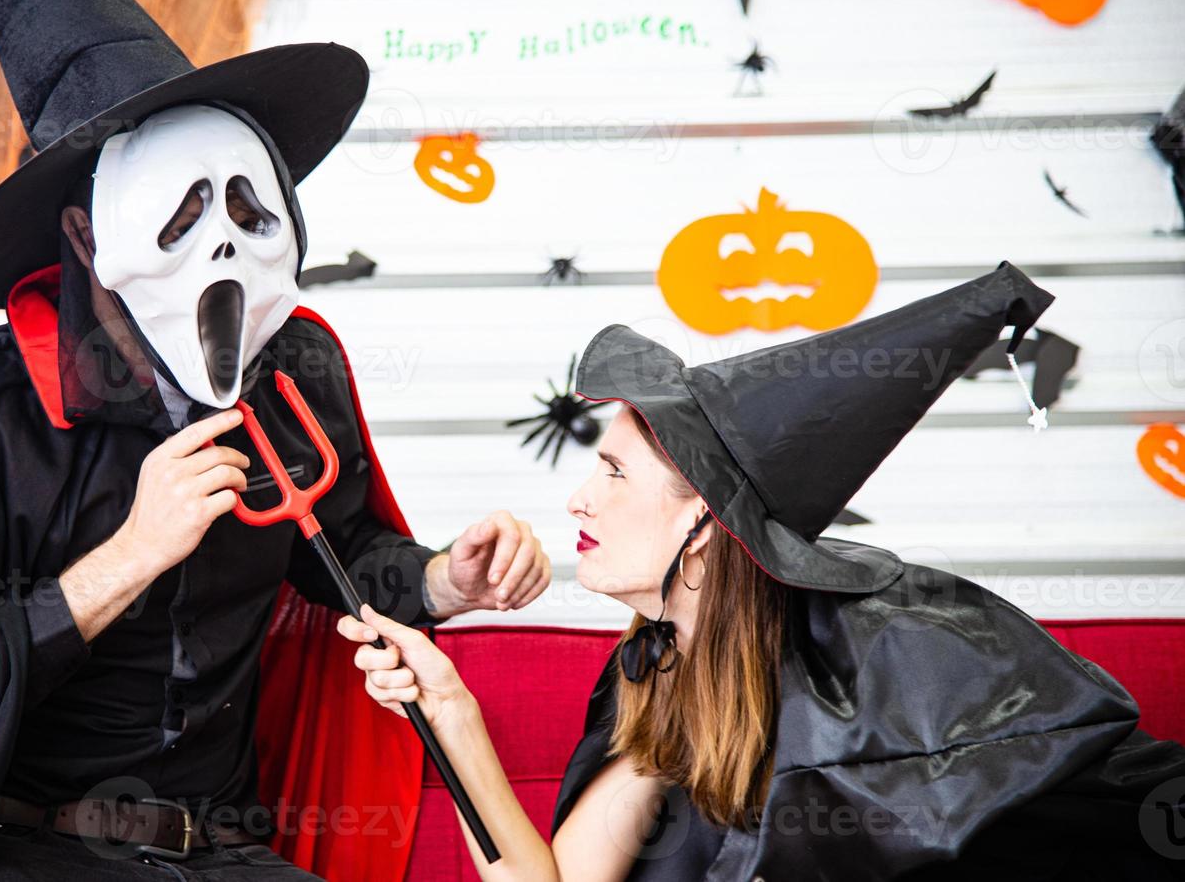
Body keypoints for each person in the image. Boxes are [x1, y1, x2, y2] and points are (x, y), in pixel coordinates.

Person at [0, 0, 550, 880]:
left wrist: (440, 579)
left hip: (228, 853)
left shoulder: (293, 372)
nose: (226, 248)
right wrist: (124, 558)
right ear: (88, 237)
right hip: (19, 849)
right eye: (184, 213)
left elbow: (340, 552)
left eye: (249, 209)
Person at [339, 261, 1185, 880]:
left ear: (703, 524)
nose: (579, 504)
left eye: (616, 475)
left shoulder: (888, 658)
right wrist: (446, 707)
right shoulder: (666, 665)